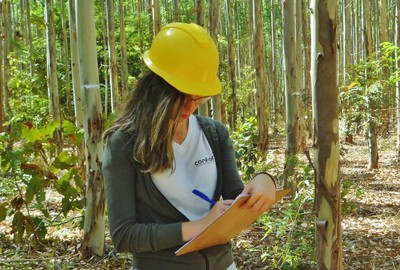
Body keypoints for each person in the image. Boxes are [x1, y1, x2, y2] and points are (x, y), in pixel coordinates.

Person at [102, 22, 277, 270]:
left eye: (198, 98)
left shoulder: (214, 133)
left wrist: (264, 181)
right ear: (156, 89)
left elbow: (235, 200)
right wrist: (200, 225)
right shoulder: (123, 144)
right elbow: (124, 235)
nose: (190, 108)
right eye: (182, 97)